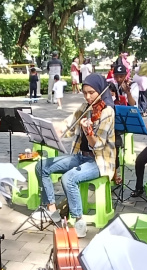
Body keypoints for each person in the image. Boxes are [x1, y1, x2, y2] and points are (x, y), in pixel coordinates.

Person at [32, 74, 116, 238]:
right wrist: (51, 128)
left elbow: (97, 144)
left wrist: (88, 131)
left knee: (68, 178)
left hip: (99, 161)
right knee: (41, 166)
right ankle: (52, 210)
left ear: (100, 91)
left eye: (91, 92)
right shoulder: (85, 107)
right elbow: (68, 125)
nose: (88, 96)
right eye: (85, 92)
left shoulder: (107, 112)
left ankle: (79, 221)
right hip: (80, 156)